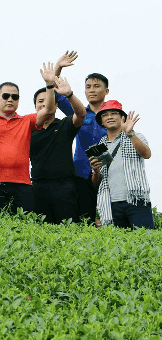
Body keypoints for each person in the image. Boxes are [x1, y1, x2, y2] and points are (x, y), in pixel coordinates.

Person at [0, 64, 57, 214]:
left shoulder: (26, 121)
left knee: (24, 227)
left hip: (22, 184)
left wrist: (49, 84)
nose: (10, 99)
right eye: (5, 96)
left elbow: (48, 110)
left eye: (14, 97)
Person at [53, 52, 110, 222]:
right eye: (88, 86)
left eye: (96, 86)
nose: (91, 90)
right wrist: (58, 67)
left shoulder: (114, 116)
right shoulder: (79, 112)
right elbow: (55, 93)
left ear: (106, 90)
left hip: (109, 174)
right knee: (83, 219)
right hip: (81, 174)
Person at [30, 72, 86, 223]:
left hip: (64, 186)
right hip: (37, 186)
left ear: (55, 105)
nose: (44, 104)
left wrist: (69, 94)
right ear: (35, 106)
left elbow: (81, 115)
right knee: (41, 232)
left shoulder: (65, 124)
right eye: (40, 101)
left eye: (48, 100)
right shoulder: (29, 129)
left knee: (68, 230)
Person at [91, 101, 152, 229]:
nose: (110, 117)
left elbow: (147, 154)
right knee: (118, 245)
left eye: (114, 113)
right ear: (101, 121)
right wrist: (96, 171)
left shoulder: (136, 136)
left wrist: (130, 133)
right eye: (105, 115)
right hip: (111, 204)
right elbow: (96, 182)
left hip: (136, 200)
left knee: (144, 240)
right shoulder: (100, 146)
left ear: (122, 118)